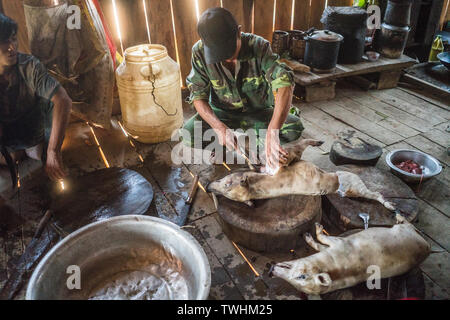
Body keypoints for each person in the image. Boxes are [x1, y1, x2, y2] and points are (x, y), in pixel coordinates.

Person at [183, 7, 304, 170]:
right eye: (218, 53)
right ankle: (238, 142)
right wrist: (218, 127)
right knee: (189, 133)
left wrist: (272, 132)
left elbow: (285, 82)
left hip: (258, 113)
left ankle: (253, 143)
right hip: (222, 114)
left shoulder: (258, 46)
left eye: (228, 49)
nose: (226, 57)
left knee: (293, 126)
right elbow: (197, 95)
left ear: (238, 32)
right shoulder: (199, 52)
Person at [0, 13, 72, 182]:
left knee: (43, 157)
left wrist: (53, 150)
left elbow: (63, 100)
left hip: (33, 130)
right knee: (11, 159)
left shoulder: (29, 66)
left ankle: (35, 149)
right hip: (6, 136)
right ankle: (14, 153)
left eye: (13, 39)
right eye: (4, 41)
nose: (12, 47)